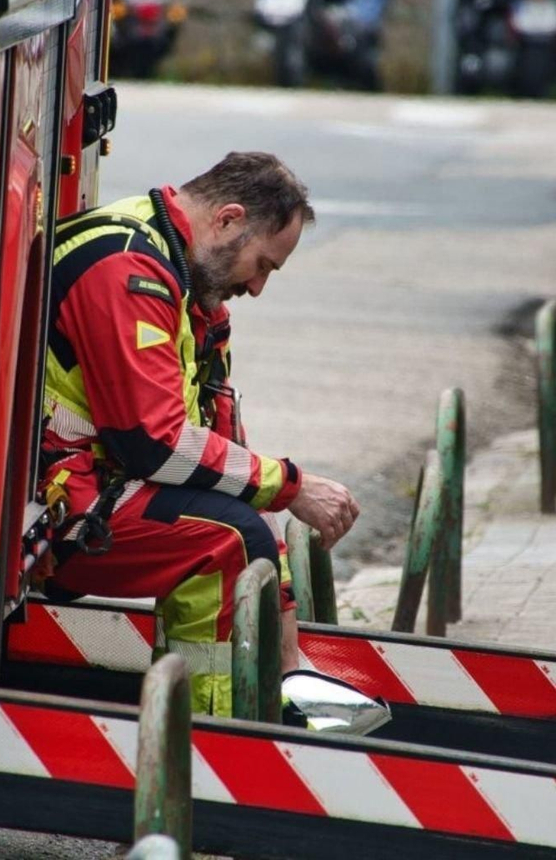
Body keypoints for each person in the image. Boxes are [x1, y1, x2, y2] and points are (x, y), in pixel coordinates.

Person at [35, 152, 360, 716]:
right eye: (261, 265)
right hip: (57, 505)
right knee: (224, 540)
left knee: (250, 520)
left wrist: (271, 497)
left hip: (98, 482)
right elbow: (154, 442)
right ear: (228, 220)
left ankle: (285, 681)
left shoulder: (180, 274)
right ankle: (212, 737)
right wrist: (291, 486)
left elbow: (215, 442)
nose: (257, 287)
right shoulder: (129, 269)